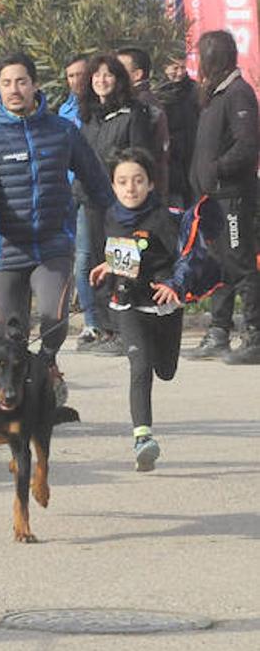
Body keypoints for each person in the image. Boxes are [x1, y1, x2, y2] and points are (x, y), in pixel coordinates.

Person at [0, 52, 114, 398]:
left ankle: (45, 365)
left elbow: (96, 180)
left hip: (53, 244)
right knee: (12, 332)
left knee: (53, 316)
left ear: (35, 84)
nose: (14, 89)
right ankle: (24, 390)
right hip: (3, 247)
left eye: (21, 82)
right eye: (6, 83)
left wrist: (123, 220)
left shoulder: (62, 131)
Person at [88, 149, 217, 471]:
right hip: (128, 303)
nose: (130, 188)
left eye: (137, 181)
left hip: (165, 304)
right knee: (140, 367)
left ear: (150, 184)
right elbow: (124, 255)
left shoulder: (167, 216)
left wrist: (175, 284)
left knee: (166, 371)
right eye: (122, 182)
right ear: (114, 186)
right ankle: (143, 438)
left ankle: (163, 364)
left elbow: (187, 256)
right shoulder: (111, 215)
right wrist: (108, 267)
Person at [184, 30, 260, 364]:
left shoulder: (238, 94)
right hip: (211, 197)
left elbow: (247, 145)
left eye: (204, 55)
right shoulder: (215, 95)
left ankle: (255, 334)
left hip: (232, 196)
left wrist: (216, 169)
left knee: (241, 264)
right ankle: (219, 330)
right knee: (219, 266)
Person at [75, 53, 153, 356]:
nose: (101, 80)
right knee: (95, 262)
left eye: (108, 75)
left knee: (122, 265)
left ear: (119, 79)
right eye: (96, 75)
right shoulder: (89, 116)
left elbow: (142, 156)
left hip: (121, 202)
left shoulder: (132, 113)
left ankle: (125, 329)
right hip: (90, 200)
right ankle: (106, 328)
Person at [115, 46, 171, 202]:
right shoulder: (138, 101)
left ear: (137, 74)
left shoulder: (143, 106)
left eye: (119, 69)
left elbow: (147, 152)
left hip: (143, 194)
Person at [155, 54, 199, 209]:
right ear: (164, 68)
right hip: (172, 163)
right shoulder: (158, 95)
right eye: (175, 68)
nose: (180, 73)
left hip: (192, 158)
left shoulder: (195, 91)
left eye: (183, 68)